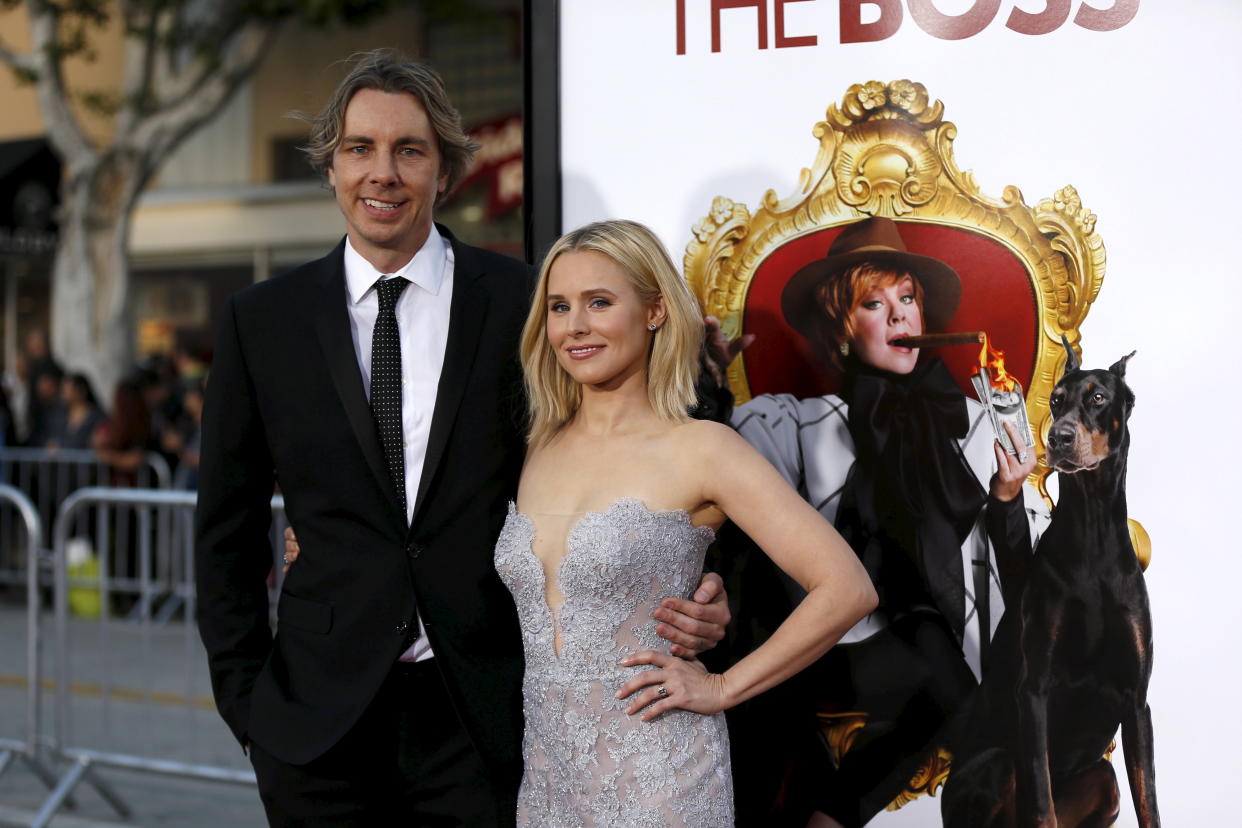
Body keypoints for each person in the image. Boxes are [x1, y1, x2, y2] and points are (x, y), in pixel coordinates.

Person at [194, 50, 729, 827]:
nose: (383, 172)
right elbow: (225, 527)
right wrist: (249, 708)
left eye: (409, 150)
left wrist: (709, 586)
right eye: (359, 149)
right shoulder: (261, 320)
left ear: (443, 170)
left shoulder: (525, 301)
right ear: (332, 168)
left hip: (484, 716)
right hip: (314, 728)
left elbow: (655, 441)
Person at [493, 219, 878, 826]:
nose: (575, 326)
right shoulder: (539, 446)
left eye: (599, 302)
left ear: (653, 311)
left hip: (660, 779)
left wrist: (723, 687)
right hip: (549, 784)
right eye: (559, 306)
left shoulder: (703, 449)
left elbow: (847, 588)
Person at [715, 216, 1051, 826]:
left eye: (907, 298)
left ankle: (832, 817)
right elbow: (717, 472)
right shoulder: (800, 423)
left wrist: (1005, 496)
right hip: (831, 644)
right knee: (946, 671)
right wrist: (706, 391)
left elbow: (1021, 570)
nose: (899, 316)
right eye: (874, 303)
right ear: (842, 331)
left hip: (946, 648)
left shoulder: (972, 423)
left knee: (950, 673)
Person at [47, 373, 106, 450]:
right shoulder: (60, 416)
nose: (63, 394)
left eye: (67, 390)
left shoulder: (97, 416)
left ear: (80, 391)